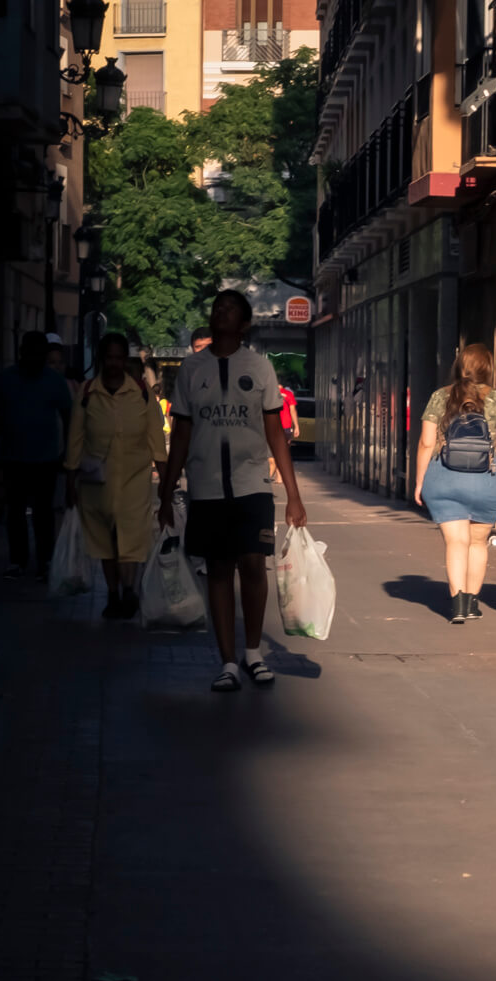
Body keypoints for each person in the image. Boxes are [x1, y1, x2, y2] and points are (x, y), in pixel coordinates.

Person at [161, 290, 310, 692]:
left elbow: (274, 430)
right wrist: (168, 487)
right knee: (219, 569)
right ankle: (227, 661)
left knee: (252, 562)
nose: (219, 313)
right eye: (216, 308)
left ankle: (253, 652)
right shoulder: (192, 369)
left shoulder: (259, 368)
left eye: (229, 310)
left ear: (244, 325)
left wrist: (293, 495)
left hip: (251, 485)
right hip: (206, 486)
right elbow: (182, 430)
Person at [413, 343, 496, 623]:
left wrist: (419, 480)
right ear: (489, 368)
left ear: (460, 366)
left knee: (456, 542)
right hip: (487, 479)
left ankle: (457, 604)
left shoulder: (440, 397)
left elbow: (426, 442)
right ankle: (472, 603)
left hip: (444, 477)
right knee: (478, 542)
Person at [64, 330, 164, 622]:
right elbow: (75, 438)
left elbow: (156, 439)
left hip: (134, 480)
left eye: (119, 358)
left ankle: (129, 589)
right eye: (109, 357)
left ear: (125, 360)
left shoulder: (141, 393)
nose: (114, 363)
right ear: (101, 359)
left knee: (130, 537)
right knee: (106, 541)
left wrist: (167, 485)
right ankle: (112, 593)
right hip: (97, 483)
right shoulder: (86, 393)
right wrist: (70, 480)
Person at [0, 331, 75, 578]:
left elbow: (69, 418)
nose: (35, 357)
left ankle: (43, 560)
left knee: (42, 512)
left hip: (45, 458)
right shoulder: (6, 380)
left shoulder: (53, 381)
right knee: (17, 511)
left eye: (39, 353)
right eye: (31, 352)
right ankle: (19, 559)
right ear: (22, 353)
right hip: (14, 455)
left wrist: (66, 453)